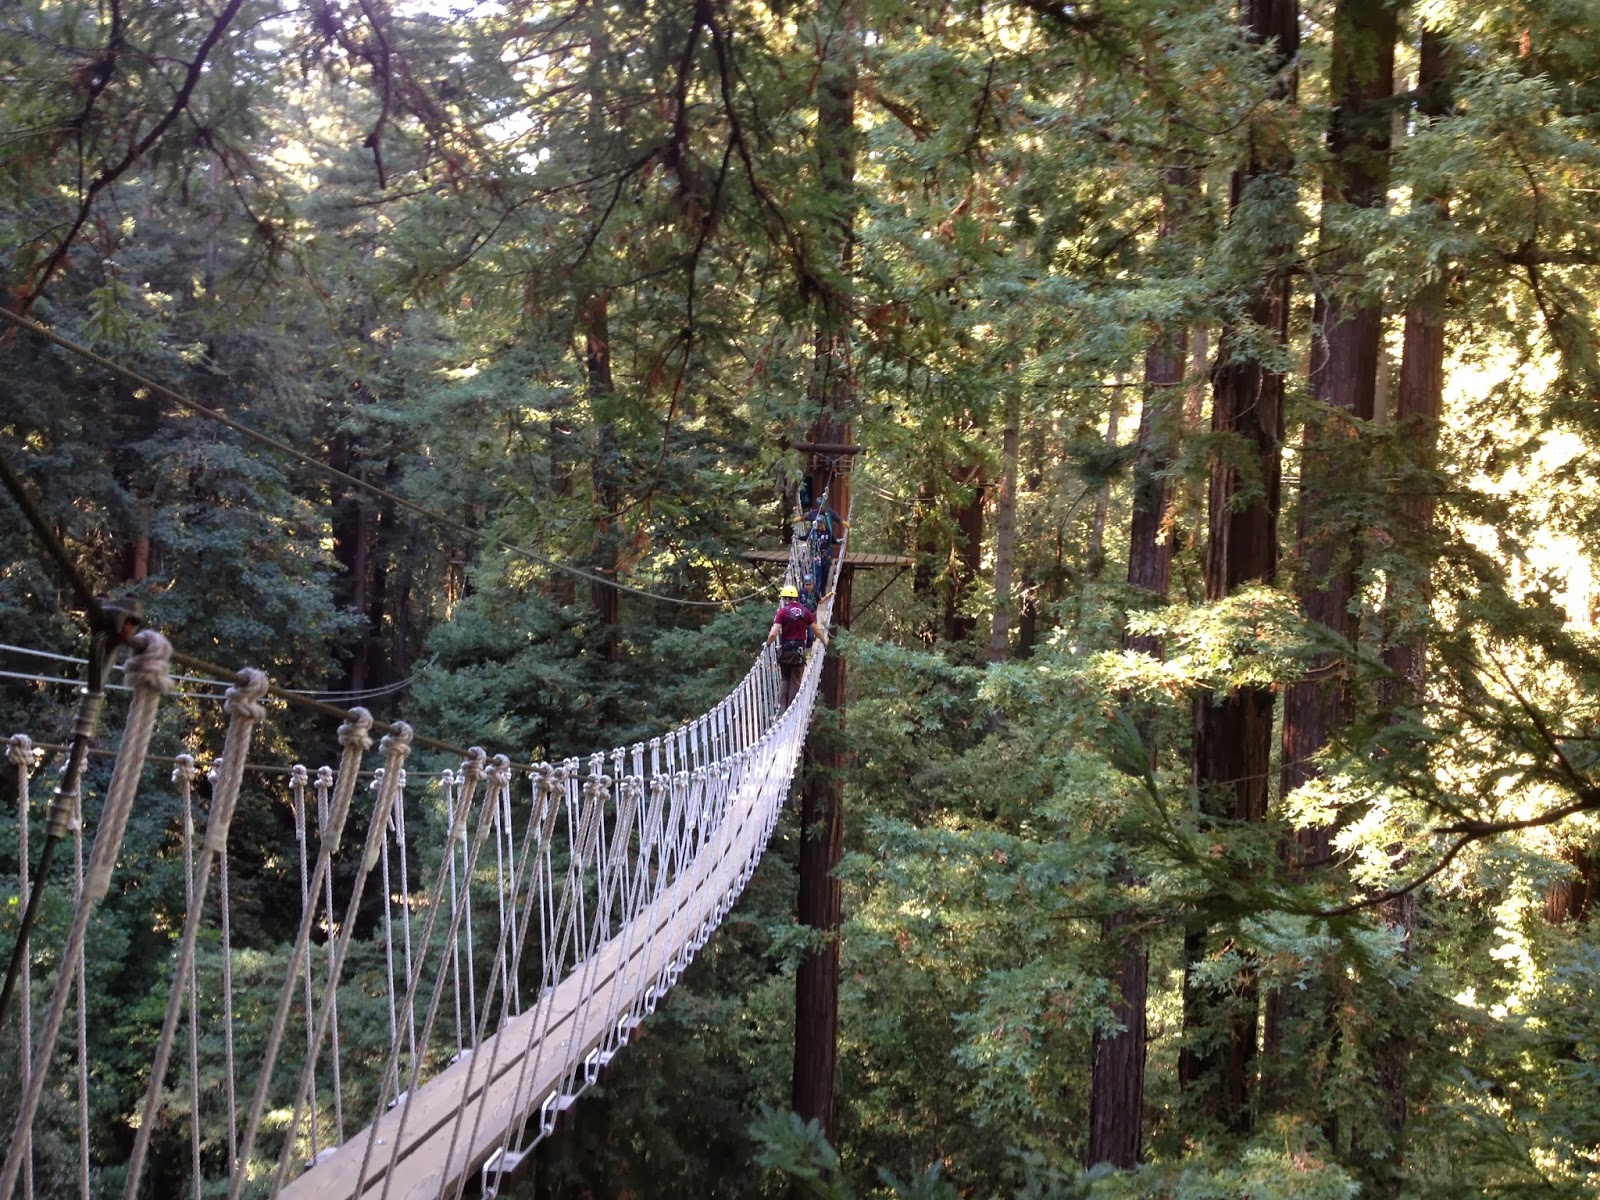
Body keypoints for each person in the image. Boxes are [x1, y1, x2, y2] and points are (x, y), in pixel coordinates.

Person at [765, 583, 827, 707]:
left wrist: (768, 644)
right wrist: (824, 642)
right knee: (796, 680)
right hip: (799, 651)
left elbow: (773, 634)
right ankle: (791, 709)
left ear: (786, 598)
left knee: (785, 678)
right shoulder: (805, 612)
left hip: (785, 651)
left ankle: (782, 707)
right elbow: (817, 630)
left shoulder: (783, 612)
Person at [804, 497, 848, 593]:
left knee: (825, 572)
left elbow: (837, 517)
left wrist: (843, 522)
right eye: (820, 505)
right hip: (816, 549)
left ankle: (822, 591)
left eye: (823, 505)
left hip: (826, 545)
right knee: (817, 573)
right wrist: (800, 520)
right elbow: (807, 517)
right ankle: (817, 592)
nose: (821, 507)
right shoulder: (814, 514)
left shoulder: (829, 513)